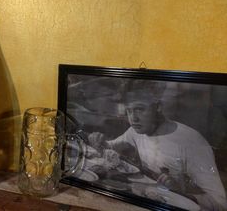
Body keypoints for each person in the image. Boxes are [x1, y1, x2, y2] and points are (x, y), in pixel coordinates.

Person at [88, 80, 227, 211]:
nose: (133, 119)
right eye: (129, 111)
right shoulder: (137, 130)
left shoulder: (192, 142)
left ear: (158, 106)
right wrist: (99, 141)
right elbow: (110, 147)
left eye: (140, 109)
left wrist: (182, 192)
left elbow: (220, 203)